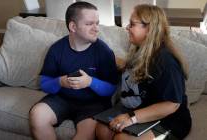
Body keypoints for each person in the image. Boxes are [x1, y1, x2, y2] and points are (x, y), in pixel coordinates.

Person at [96, 4, 191, 140]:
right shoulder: (139, 50)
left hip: (170, 120)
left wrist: (132, 118)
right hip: (142, 110)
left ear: (149, 29)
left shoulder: (166, 61)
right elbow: (133, 70)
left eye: (132, 24)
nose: (127, 27)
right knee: (102, 130)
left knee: (121, 139)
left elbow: (172, 104)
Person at [29, 2, 118, 140]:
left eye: (97, 23)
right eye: (90, 24)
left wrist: (90, 82)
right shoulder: (56, 49)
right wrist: (60, 82)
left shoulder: (103, 51)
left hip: (93, 104)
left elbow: (112, 88)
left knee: (85, 135)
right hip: (61, 99)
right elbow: (44, 83)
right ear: (73, 26)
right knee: (37, 115)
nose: (96, 29)